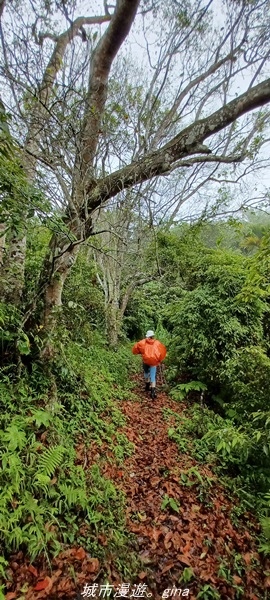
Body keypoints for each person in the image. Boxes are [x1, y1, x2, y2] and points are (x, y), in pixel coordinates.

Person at [132, 330, 167, 398]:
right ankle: (153, 392)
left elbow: (135, 348)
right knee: (153, 376)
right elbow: (162, 351)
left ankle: (147, 386)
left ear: (147, 336)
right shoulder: (157, 343)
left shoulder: (143, 342)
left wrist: (140, 352)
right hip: (154, 362)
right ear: (153, 336)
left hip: (146, 361)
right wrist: (159, 360)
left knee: (146, 373)